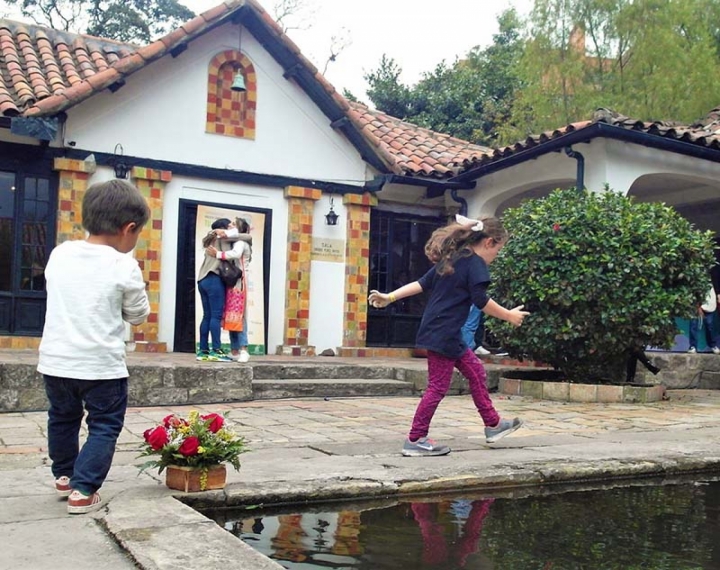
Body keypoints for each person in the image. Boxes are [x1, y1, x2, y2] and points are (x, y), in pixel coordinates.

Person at [368, 214, 530, 457]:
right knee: (438, 387)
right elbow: (481, 300)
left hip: (442, 330)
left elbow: (421, 283)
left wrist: (390, 297)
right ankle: (415, 438)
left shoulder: (456, 258)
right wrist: (508, 315)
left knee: (476, 371)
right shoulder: (474, 262)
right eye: (498, 251)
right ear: (488, 242)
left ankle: (493, 425)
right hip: (443, 333)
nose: (495, 258)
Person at [37, 179, 150, 514]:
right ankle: (84, 489)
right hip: (101, 366)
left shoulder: (59, 254)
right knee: (104, 424)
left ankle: (63, 476)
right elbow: (138, 314)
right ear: (129, 228)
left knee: (62, 417)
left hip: (56, 361)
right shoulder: (123, 265)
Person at [206, 218, 253, 362]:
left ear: (238, 228)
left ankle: (243, 349)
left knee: (239, 316)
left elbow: (235, 254)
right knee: (232, 316)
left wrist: (218, 254)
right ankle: (234, 350)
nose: (230, 226)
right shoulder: (234, 240)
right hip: (232, 283)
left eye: (233, 224)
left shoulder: (240, 242)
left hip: (239, 283)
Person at [688, 284, 719, 354]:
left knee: (710, 325)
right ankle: (693, 346)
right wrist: (698, 306)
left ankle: (713, 345)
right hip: (695, 303)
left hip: (709, 303)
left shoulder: (713, 277)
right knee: (693, 325)